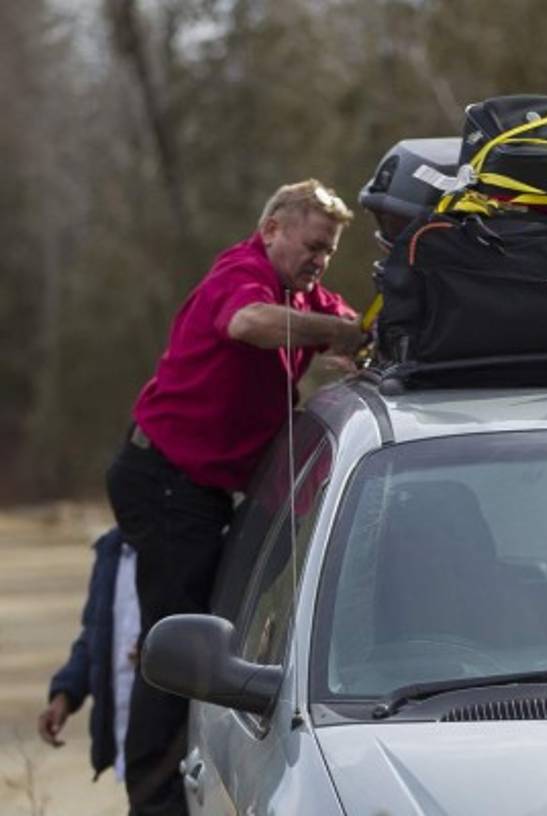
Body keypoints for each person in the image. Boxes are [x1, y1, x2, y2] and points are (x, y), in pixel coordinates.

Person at [105, 179, 364, 814]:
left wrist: (355, 339)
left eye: (328, 252)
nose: (319, 262)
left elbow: (353, 326)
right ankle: (156, 799)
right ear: (272, 230)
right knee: (182, 650)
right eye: (311, 246)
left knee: (210, 628)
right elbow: (250, 325)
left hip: (203, 491)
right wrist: (331, 332)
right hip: (163, 480)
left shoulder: (303, 294)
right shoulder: (241, 273)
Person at [38, 527, 140, 783]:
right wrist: (64, 695)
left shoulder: (184, 547)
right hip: (124, 742)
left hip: (169, 744)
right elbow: (94, 636)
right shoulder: (111, 552)